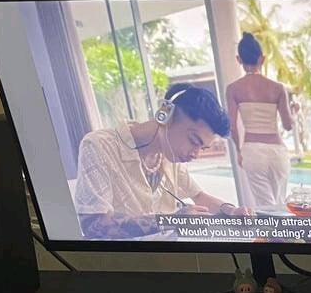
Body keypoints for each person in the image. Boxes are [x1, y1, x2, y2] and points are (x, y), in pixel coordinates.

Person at [73, 83, 242, 239]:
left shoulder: (168, 155)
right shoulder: (100, 146)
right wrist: (173, 220)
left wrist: (231, 211)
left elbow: (199, 196)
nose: (195, 154)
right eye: (193, 141)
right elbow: (92, 224)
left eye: (202, 148)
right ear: (165, 116)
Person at [225, 33, 294, 211]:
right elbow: (288, 125)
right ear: (262, 59)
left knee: (265, 206)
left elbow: (232, 126)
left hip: (252, 151)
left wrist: (239, 151)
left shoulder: (233, 89)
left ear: (239, 59)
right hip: (277, 151)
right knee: (280, 203)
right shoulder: (278, 88)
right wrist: (294, 110)